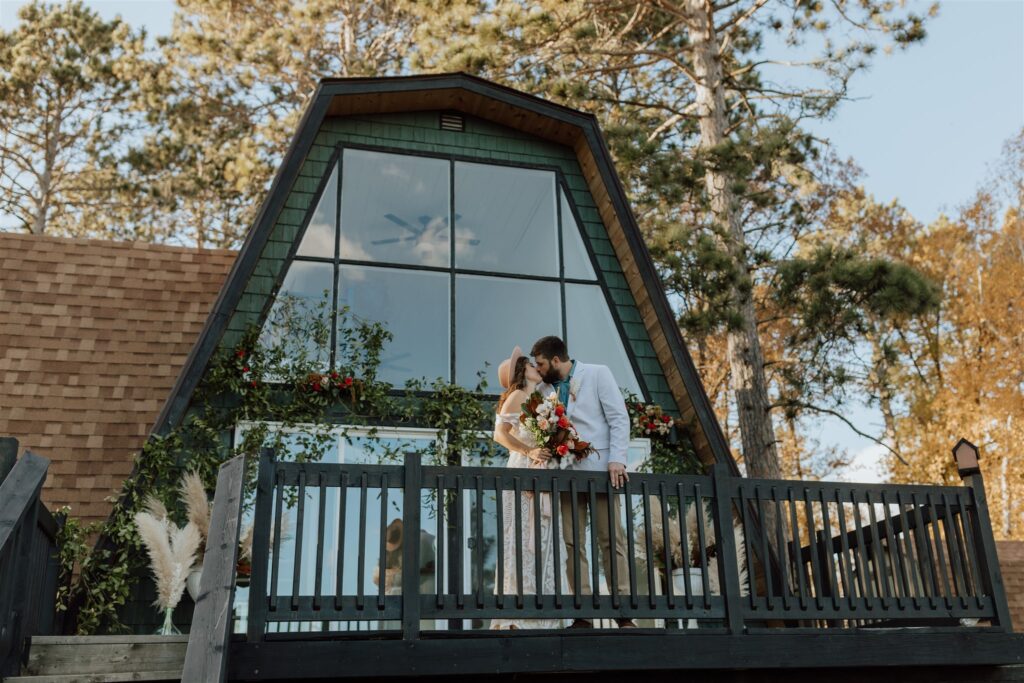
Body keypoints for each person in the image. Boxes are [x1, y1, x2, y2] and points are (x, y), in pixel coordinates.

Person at [530, 335, 635, 629]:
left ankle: (623, 611)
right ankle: (583, 613)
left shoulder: (598, 373)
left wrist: (618, 459)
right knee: (572, 542)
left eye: (540, 364)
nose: (538, 370)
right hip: (566, 475)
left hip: (602, 471)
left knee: (611, 539)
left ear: (555, 360)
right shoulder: (542, 390)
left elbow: (618, 418)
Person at [489, 345, 562, 630]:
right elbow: (499, 434)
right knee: (520, 536)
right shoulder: (518, 395)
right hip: (522, 471)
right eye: (530, 364)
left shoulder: (541, 398)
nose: (536, 366)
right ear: (522, 372)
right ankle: (516, 612)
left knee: (542, 536)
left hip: (542, 472)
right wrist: (529, 452)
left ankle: (542, 612)